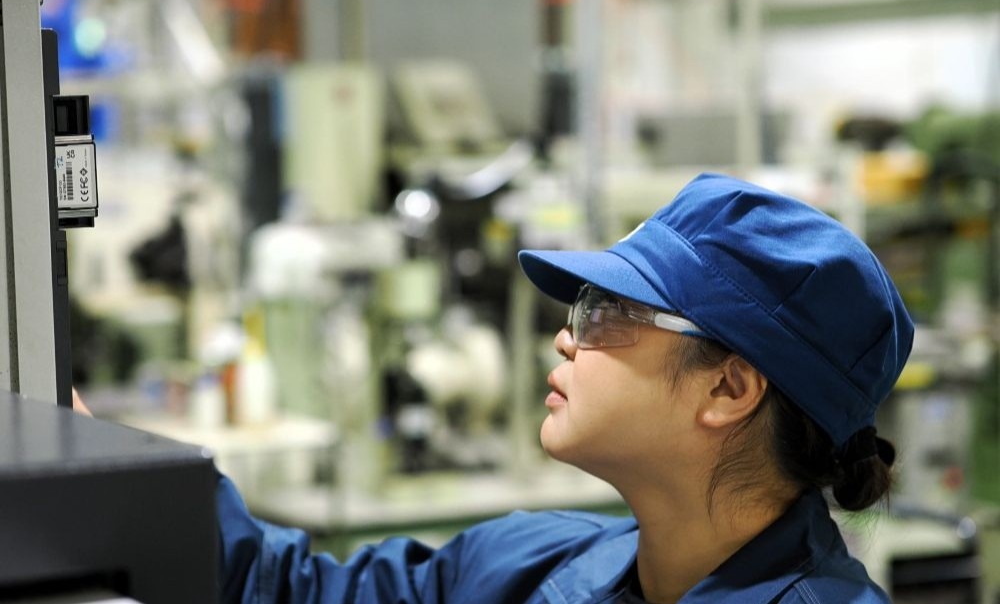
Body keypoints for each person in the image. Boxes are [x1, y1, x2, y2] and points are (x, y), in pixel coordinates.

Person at [211, 172, 913, 603]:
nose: (565, 337)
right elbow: (291, 591)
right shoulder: (530, 563)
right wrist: (151, 474)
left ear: (728, 388)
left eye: (608, 312)